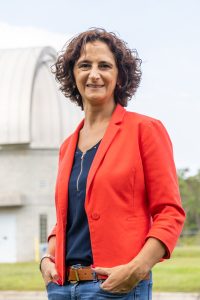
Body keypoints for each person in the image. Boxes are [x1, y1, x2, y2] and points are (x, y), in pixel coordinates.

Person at [40, 28, 185, 300]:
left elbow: (170, 212)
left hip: (114, 288)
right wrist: (47, 259)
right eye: (84, 65)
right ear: (73, 74)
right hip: (61, 288)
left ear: (119, 76)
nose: (94, 74)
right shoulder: (67, 145)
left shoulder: (145, 130)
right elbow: (65, 219)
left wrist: (136, 268)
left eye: (104, 65)